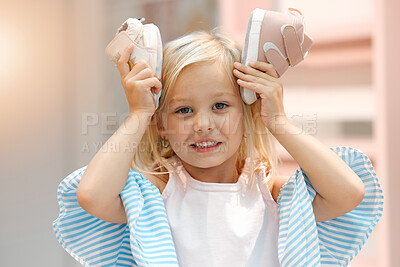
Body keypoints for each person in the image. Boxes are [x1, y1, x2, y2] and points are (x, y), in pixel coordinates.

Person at [53, 30, 384, 267]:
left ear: (249, 111)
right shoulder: (157, 194)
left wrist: (278, 121)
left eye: (221, 106)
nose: (202, 124)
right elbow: (92, 196)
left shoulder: (269, 193)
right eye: (184, 110)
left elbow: (349, 193)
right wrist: (139, 112)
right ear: (161, 125)